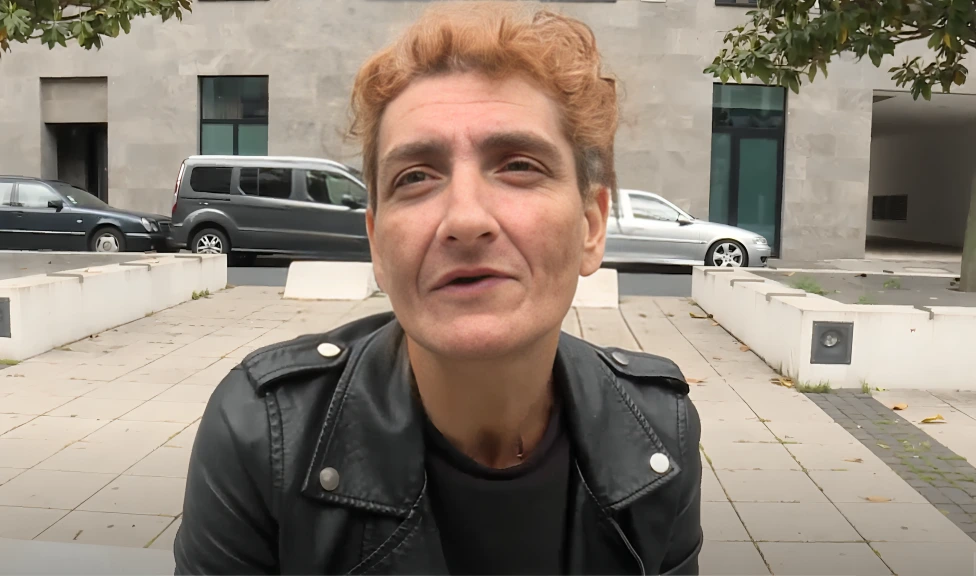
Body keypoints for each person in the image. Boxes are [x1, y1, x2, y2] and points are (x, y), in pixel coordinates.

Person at [174, 1, 702, 574]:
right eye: (416, 177)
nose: (465, 219)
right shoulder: (264, 435)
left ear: (591, 227)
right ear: (377, 244)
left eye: (519, 166)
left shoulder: (658, 433)